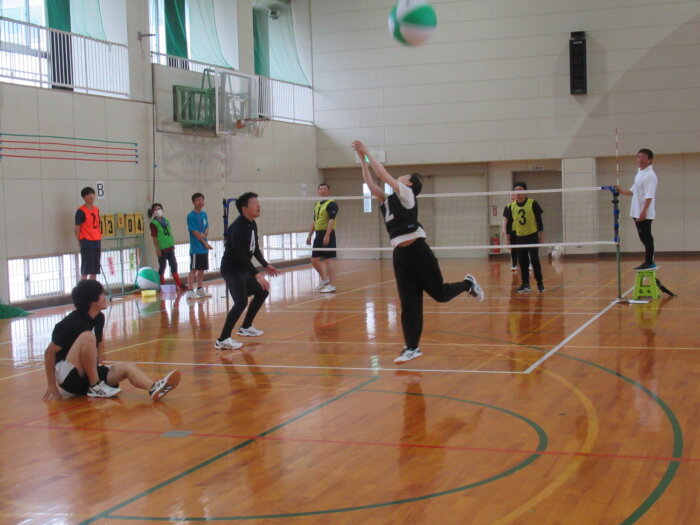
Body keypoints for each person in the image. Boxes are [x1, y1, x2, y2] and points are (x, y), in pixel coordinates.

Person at [352, 140, 484, 364]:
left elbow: (382, 175)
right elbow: (371, 185)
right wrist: (363, 160)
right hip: (400, 256)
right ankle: (412, 347)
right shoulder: (388, 200)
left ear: (410, 184)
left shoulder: (407, 194)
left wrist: (367, 152)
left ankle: (468, 284)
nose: (399, 177)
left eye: (403, 176)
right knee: (409, 304)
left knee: (440, 295)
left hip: (418, 251)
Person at [43, 280, 180, 401]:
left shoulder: (99, 318)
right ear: (93, 300)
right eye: (102, 293)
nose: (105, 296)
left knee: (127, 367)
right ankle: (95, 386)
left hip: (87, 377)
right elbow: (49, 353)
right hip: (69, 377)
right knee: (87, 336)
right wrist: (51, 385)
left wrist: (101, 369)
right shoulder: (68, 324)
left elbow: (98, 347)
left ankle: (154, 388)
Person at [215, 192, 280, 350]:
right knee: (241, 302)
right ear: (244, 209)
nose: (258, 205)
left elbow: (254, 248)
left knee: (262, 291)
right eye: (254, 203)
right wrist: (257, 274)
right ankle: (223, 339)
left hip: (242, 267)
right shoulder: (238, 227)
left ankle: (246, 327)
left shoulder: (251, 224)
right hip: (232, 269)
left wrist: (265, 265)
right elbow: (240, 254)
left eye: (258, 202)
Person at [615, 148, 658, 270]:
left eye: (643, 157)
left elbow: (649, 196)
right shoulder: (639, 173)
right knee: (643, 237)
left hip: (644, 213)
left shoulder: (650, 175)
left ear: (649, 160)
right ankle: (649, 261)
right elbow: (633, 191)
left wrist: (644, 211)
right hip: (636, 211)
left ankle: (649, 261)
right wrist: (621, 191)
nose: (640, 159)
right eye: (638, 157)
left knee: (646, 237)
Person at [503, 182, 545, 293]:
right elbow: (509, 225)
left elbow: (539, 221)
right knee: (523, 262)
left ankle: (540, 283)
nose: (518, 192)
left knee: (534, 260)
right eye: (516, 190)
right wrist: (507, 239)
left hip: (532, 235)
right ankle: (525, 284)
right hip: (519, 237)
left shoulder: (532, 203)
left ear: (525, 191)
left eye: (520, 189)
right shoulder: (511, 207)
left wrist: (541, 236)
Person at [306, 183, 339, 293]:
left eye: (324, 189)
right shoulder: (317, 205)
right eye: (320, 189)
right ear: (318, 191)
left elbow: (331, 220)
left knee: (328, 259)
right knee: (314, 259)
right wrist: (310, 235)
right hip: (318, 234)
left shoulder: (332, 204)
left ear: (329, 191)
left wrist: (327, 235)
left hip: (328, 233)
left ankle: (332, 285)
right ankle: (324, 279)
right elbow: (314, 221)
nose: (322, 190)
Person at [148, 203, 186, 290]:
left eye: (159, 209)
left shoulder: (166, 220)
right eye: (155, 209)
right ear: (153, 212)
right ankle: (162, 284)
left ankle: (179, 283)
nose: (158, 211)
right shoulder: (153, 223)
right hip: (162, 248)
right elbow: (154, 237)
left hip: (170, 246)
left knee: (173, 264)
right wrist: (157, 249)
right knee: (163, 265)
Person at [186, 193, 213, 299]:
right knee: (194, 269)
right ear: (193, 202)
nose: (200, 202)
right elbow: (195, 233)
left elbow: (206, 227)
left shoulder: (204, 214)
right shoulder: (191, 216)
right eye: (198, 200)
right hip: (196, 248)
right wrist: (205, 243)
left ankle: (200, 289)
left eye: (202, 199)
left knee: (202, 269)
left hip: (203, 249)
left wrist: (205, 234)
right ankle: (190, 290)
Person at [75, 187, 101, 281]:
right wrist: (79, 240)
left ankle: (92, 288)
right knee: (86, 269)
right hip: (86, 241)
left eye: (92, 194)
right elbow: (77, 228)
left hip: (96, 240)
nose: (91, 196)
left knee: (95, 269)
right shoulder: (81, 211)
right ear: (84, 197)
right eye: (88, 194)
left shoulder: (96, 209)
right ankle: (83, 288)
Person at [501, 193, 519, 271]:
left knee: (524, 247)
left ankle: (528, 264)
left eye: (513, 195)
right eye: (511, 195)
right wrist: (503, 229)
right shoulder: (508, 207)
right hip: (511, 230)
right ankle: (514, 264)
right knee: (512, 248)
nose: (512, 196)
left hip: (521, 230)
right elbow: (505, 220)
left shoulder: (521, 205)